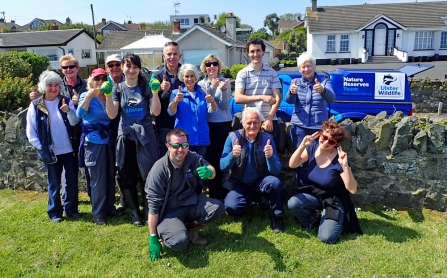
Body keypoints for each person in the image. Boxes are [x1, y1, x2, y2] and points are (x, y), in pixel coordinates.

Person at [146, 128, 225, 261]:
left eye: (184, 145)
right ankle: (168, 234)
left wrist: (209, 172)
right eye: (176, 145)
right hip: (169, 212)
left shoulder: (192, 157)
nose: (181, 150)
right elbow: (153, 206)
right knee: (179, 242)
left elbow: (211, 169)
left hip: (190, 203)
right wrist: (153, 237)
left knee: (217, 207)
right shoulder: (159, 170)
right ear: (168, 146)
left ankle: (192, 232)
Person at [103, 53, 161, 226]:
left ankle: (149, 211)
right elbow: (112, 114)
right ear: (122, 67)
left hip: (145, 136)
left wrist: (155, 92)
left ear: (138, 68)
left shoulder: (146, 87)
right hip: (126, 136)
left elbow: (156, 112)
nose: (132, 70)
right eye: (128, 66)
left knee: (148, 175)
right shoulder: (117, 88)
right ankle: (135, 213)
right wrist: (107, 95)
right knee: (127, 175)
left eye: (135, 67)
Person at [287, 120, 362, 243]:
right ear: (320, 134)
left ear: (336, 144)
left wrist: (345, 166)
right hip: (316, 196)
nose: (326, 142)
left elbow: (352, 189)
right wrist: (303, 145)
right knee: (294, 203)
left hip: (334, 201)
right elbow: (292, 164)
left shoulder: (339, 160)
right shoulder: (312, 148)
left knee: (326, 238)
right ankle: (311, 221)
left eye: (331, 141)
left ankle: (335, 217)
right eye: (324, 137)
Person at [26, 70, 80, 223]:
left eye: (57, 85)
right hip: (51, 151)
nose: (54, 88)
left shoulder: (65, 100)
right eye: (50, 85)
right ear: (44, 86)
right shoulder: (36, 105)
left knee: (71, 181)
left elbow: (75, 122)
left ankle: (71, 209)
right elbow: (31, 131)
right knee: (54, 183)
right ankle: (55, 212)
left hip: (69, 149)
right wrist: (41, 147)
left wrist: (68, 111)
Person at [220, 107, 284, 233]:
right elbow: (223, 166)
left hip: (260, 181)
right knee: (231, 209)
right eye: (249, 122)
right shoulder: (232, 137)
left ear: (260, 123)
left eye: (256, 122)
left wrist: (270, 157)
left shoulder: (268, 139)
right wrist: (233, 155)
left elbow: (276, 170)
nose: (252, 126)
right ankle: (252, 201)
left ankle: (277, 216)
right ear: (243, 123)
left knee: (275, 182)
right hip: (239, 183)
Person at [76, 68, 121, 225]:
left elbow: (111, 115)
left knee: (109, 176)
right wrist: (89, 95)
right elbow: (78, 115)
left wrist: (106, 94)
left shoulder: (110, 94)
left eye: (103, 78)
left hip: (109, 141)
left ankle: (109, 207)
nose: (100, 81)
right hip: (93, 142)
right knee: (97, 179)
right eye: (97, 78)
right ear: (91, 81)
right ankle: (98, 213)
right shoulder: (85, 95)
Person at [286, 52, 336, 187]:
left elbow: (332, 98)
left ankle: (318, 190)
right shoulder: (294, 82)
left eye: (309, 66)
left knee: (318, 158)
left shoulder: (324, 81)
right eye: (303, 67)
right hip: (299, 127)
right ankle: (303, 190)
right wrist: (292, 92)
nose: (306, 69)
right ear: (299, 69)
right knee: (301, 160)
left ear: (314, 67)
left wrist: (323, 90)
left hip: (318, 127)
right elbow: (288, 101)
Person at [235, 38, 282, 148]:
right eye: (252, 51)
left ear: (263, 52)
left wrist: (269, 119)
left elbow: (278, 98)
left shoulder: (272, 73)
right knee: (250, 158)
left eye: (258, 50)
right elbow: (238, 98)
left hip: (269, 122)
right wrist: (261, 97)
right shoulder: (242, 74)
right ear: (248, 53)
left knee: (269, 156)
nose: (255, 54)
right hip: (249, 122)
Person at [198, 55, 231, 200]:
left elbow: (224, 106)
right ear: (204, 67)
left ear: (219, 66)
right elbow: (205, 106)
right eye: (208, 64)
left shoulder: (225, 82)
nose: (211, 66)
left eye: (214, 63)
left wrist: (223, 90)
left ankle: (226, 193)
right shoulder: (200, 84)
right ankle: (214, 194)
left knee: (224, 158)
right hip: (209, 125)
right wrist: (212, 87)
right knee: (211, 159)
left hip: (223, 125)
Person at [168, 64, 217, 159]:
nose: (189, 79)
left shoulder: (203, 93)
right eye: (187, 76)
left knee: (200, 169)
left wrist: (212, 101)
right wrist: (176, 101)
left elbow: (212, 110)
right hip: (183, 141)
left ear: (196, 77)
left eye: (192, 76)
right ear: (182, 78)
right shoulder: (176, 93)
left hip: (201, 139)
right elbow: (171, 112)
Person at [154, 41, 184, 157]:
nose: (172, 57)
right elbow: (152, 101)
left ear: (180, 56)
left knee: (182, 156)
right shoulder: (157, 77)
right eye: (169, 54)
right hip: (164, 125)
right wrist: (160, 89)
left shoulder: (187, 74)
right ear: (164, 56)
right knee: (165, 156)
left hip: (183, 123)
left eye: (175, 54)